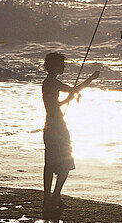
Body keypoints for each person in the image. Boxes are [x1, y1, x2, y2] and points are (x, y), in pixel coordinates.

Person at [41, 52, 99, 213]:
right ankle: (51, 197)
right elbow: (53, 105)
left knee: (52, 164)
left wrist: (89, 80)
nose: (64, 66)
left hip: (53, 127)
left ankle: (52, 198)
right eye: (62, 64)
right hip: (56, 128)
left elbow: (73, 90)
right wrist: (89, 80)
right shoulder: (50, 84)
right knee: (63, 163)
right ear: (54, 66)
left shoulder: (50, 82)